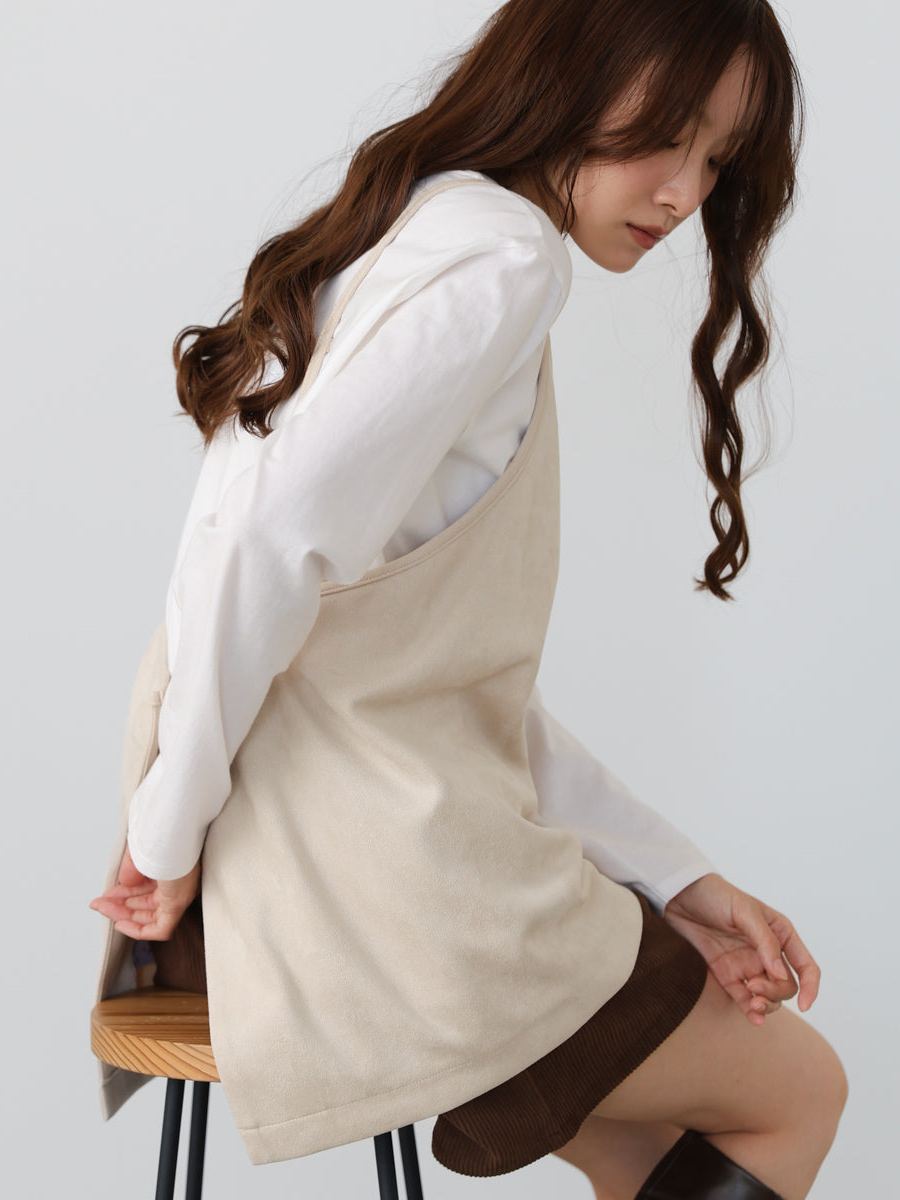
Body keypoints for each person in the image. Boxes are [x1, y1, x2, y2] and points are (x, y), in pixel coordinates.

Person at [90, 1, 847, 1196]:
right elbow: (269, 542)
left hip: (298, 863)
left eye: (716, 160)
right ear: (569, 71)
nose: (684, 192)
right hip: (378, 900)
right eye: (668, 134)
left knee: (643, 1147)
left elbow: (412, 680)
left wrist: (675, 880)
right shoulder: (504, 262)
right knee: (798, 1092)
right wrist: (163, 841)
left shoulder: (409, 227)